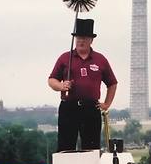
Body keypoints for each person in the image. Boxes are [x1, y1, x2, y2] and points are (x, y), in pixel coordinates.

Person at [48, 18, 117, 152]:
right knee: (65, 147)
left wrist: (107, 104)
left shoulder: (100, 59)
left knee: (91, 149)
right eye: (78, 37)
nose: (81, 41)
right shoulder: (65, 58)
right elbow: (52, 80)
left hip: (91, 109)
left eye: (84, 38)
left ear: (91, 40)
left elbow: (112, 83)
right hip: (69, 108)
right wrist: (61, 86)